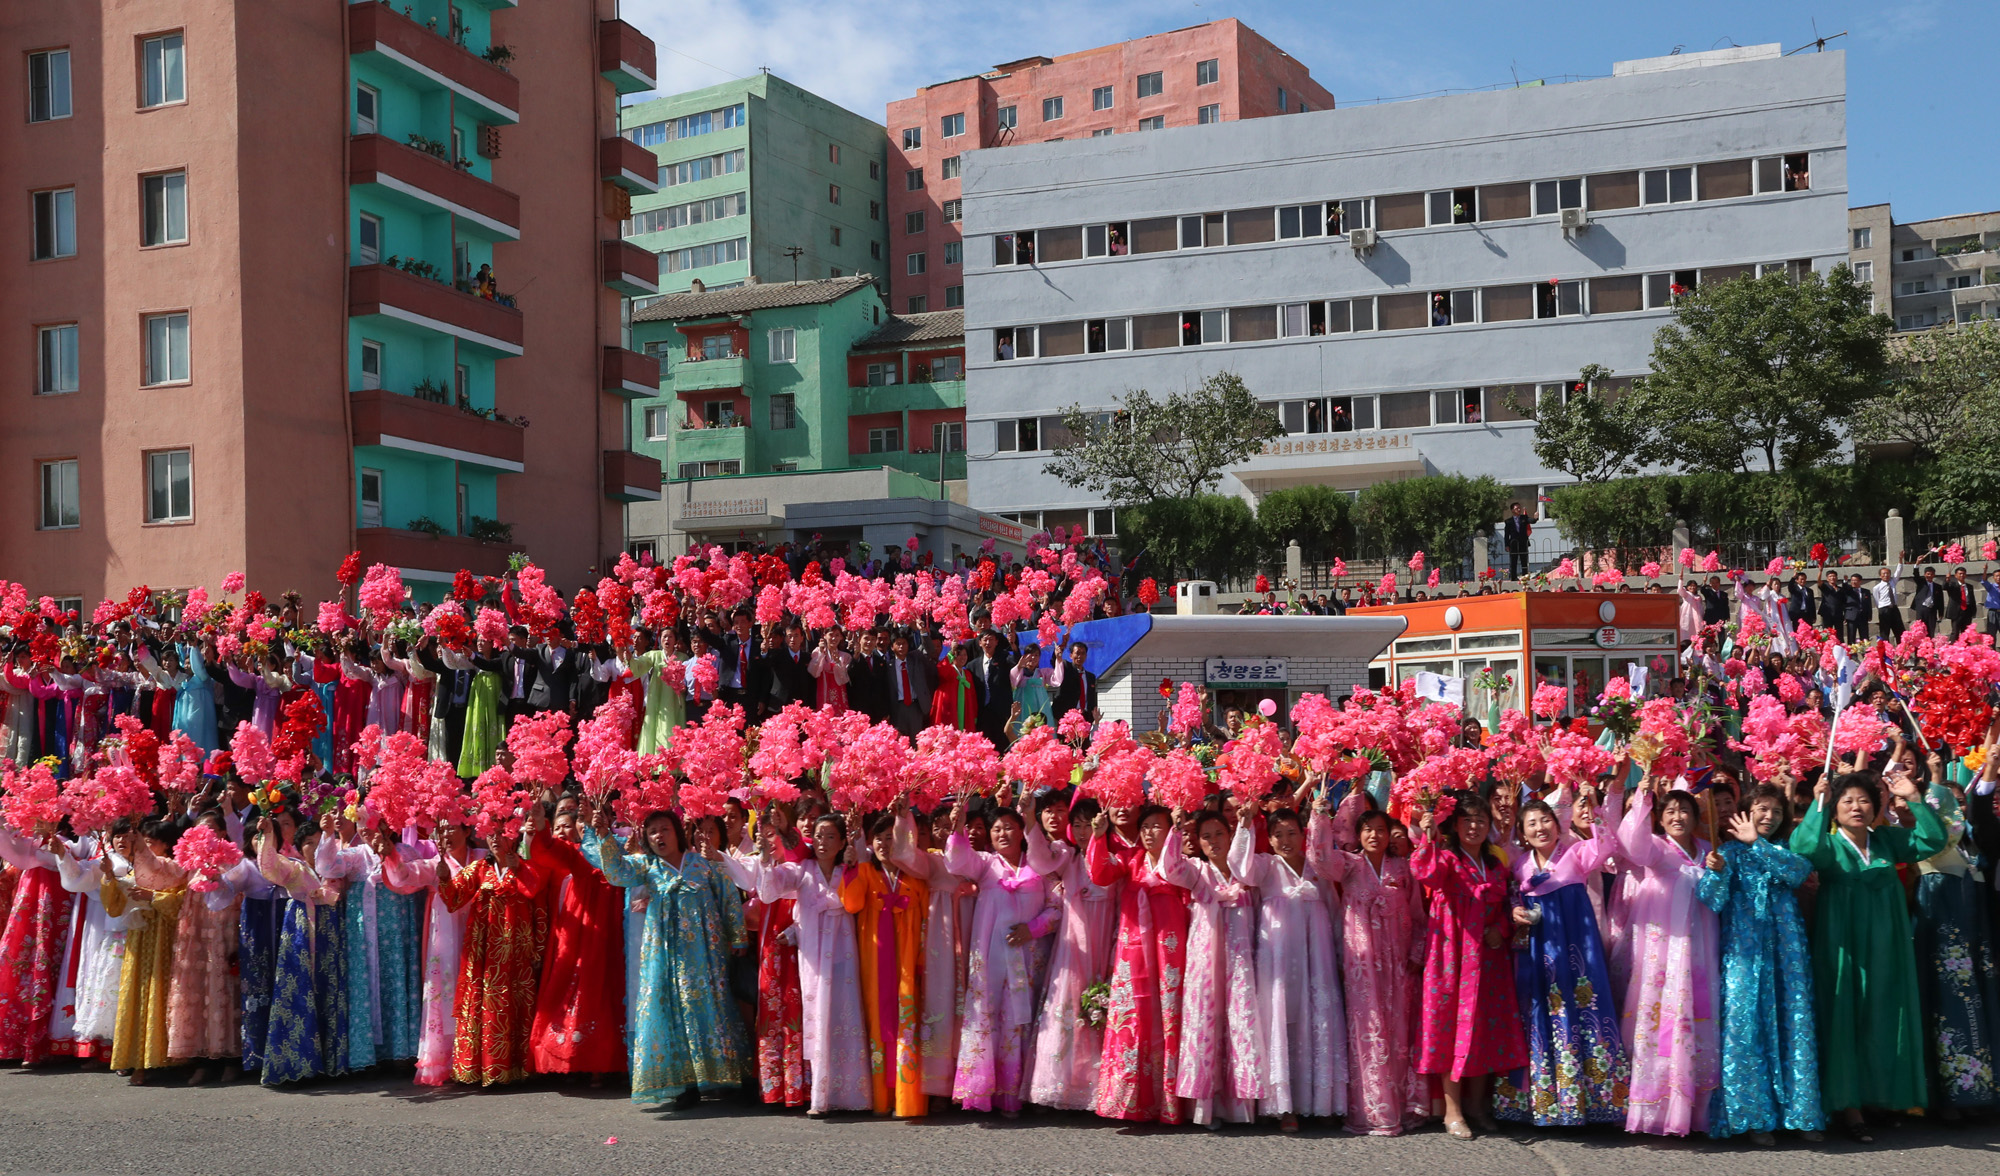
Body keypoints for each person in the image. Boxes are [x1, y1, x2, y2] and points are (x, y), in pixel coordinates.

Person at [1791, 768, 1946, 1141]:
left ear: (1876, 807)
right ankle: (1850, 1107)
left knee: (1883, 1014)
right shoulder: (1828, 846)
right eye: (1847, 801)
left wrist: (1914, 798)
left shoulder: (1888, 841)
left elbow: (1934, 839)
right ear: (1835, 810)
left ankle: (1879, 1096)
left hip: (1887, 945)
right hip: (1842, 946)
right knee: (1846, 1017)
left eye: (1863, 800)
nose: (1856, 807)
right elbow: (1803, 847)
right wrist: (1819, 801)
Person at [587, 805, 748, 1107]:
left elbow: (728, 897)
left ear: (678, 832)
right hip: (664, 956)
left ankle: (724, 1077)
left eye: (664, 829)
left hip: (705, 957)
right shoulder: (646, 867)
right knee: (671, 1013)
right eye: (652, 832)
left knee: (710, 1007)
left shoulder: (703, 865)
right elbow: (616, 873)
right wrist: (604, 834)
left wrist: (737, 936)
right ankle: (684, 1084)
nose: (659, 836)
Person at [1493, 793, 1630, 1128]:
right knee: (1538, 1014)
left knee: (1584, 1011)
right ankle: (1539, 1103)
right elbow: (1511, 895)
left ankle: (1594, 1099)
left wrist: (1594, 802)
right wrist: (1514, 910)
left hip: (1575, 952)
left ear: (1558, 826)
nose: (1540, 828)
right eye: (1532, 823)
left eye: (1546, 821)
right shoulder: (1519, 863)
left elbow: (1608, 843)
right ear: (1522, 833)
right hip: (1537, 952)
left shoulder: (1577, 854)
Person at [1698, 785, 1822, 1144]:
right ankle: (1753, 1118)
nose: (1770, 817)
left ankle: (1800, 1114)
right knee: (1745, 1026)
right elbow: (1711, 899)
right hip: (1743, 954)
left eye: (1777, 812)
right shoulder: (1729, 853)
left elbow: (1798, 873)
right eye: (1762, 809)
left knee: (1792, 1024)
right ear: (1747, 811)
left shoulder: (1786, 850)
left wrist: (1758, 844)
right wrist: (1716, 872)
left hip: (1787, 954)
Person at [1308, 787, 1425, 1135]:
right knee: (1368, 1032)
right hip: (1362, 966)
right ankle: (1373, 1111)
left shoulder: (1403, 869)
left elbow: (1419, 917)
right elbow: (1318, 857)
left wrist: (1417, 954)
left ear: (1390, 834)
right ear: (1358, 836)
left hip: (1399, 964)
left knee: (1400, 1032)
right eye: (1367, 829)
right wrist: (1319, 815)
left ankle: (1405, 1108)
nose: (1375, 835)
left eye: (1381, 829)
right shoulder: (1349, 865)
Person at [1612, 778, 1723, 1136]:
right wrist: (1643, 798)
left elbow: (1720, 899)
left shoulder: (1709, 850)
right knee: (1660, 1018)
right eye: (1670, 811)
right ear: (1660, 818)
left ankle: (1698, 1108)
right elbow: (1632, 843)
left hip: (1700, 953)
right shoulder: (1657, 849)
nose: (1677, 816)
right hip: (1663, 957)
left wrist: (1719, 873)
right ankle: (1657, 1107)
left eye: (1684, 810)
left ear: (1696, 816)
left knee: (1699, 1014)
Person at [1410, 789, 1523, 1139]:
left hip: (1488, 958)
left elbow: (1506, 909)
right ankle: (1452, 1110)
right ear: (1455, 825)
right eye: (1467, 820)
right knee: (1449, 1029)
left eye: (1480, 820)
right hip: (1451, 955)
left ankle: (1477, 1105)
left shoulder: (1495, 864)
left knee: (1484, 1029)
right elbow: (1424, 874)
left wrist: (1499, 928)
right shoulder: (1445, 859)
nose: (1474, 826)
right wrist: (1428, 836)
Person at [752, 812, 871, 1115]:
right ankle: (820, 1096)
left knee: (844, 1017)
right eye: (818, 836)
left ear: (843, 841)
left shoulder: (852, 869)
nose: (822, 842)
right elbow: (768, 892)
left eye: (830, 836)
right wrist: (766, 856)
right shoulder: (801, 870)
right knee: (817, 1019)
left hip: (844, 954)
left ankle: (851, 1094)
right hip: (814, 959)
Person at [943, 798, 1056, 1117]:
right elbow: (956, 861)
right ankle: (984, 1092)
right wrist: (957, 825)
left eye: (1009, 827)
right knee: (988, 1016)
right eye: (996, 829)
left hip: (1030, 958)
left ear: (1023, 831)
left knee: (1022, 1020)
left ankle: (1018, 1094)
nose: (1002, 833)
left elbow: (1057, 908)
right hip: (990, 961)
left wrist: (1032, 929)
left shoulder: (1040, 867)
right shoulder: (984, 864)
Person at [1086, 804, 1191, 1124]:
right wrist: (1099, 835)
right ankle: (1129, 1099)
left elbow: (1177, 873)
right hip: (1134, 952)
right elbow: (1100, 873)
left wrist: (1177, 830)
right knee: (1135, 1017)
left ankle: (1170, 1102)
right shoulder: (1131, 861)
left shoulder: (1180, 863)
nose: (1148, 832)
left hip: (1170, 949)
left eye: (1156, 826)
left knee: (1169, 1014)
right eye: (1144, 827)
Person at [1164, 808, 1264, 1128]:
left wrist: (1247, 824)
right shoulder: (1197, 872)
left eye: (1219, 834)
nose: (1213, 841)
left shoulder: (1246, 873)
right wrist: (1176, 830)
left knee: (1240, 1024)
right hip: (1205, 962)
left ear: (1230, 834)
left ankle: (1241, 1107)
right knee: (1207, 1027)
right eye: (1205, 837)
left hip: (1241, 961)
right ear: (1200, 843)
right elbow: (1170, 868)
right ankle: (1206, 1109)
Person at [1024, 794, 1116, 1111]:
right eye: (1075, 824)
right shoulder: (1068, 857)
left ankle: (1096, 1088)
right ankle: (1060, 1085)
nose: (1080, 831)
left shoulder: (1112, 858)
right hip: (1073, 947)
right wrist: (1028, 819)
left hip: (1103, 942)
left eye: (1086, 824)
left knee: (1099, 1008)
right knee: (1069, 1006)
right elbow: (1039, 857)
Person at [838, 810, 929, 1117]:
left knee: (907, 1020)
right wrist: (850, 868)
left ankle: (907, 1099)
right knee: (877, 1023)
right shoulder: (865, 872)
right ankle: (880, 1098)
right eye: (879, 837)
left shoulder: (916, 877)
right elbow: (851, 904)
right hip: (874, 966)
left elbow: (929, 923)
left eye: (892, 837)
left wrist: (920, 959)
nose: (884, 844)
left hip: (905, 963)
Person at [1503, 503, 1533, 580]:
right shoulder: (1508, 521)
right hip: (1513, 543)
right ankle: (1513, 577)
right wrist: (1506, 545)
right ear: (1512, 510)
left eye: (1519, 508)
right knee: (1513, 561)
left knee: (1524, 560)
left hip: (1523, 542)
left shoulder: (1524, 518)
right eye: (1517, 508)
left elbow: (1530, 520)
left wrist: (1535, 518)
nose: (1519, 510)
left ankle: (1525, 576)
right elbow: (1506, 535)